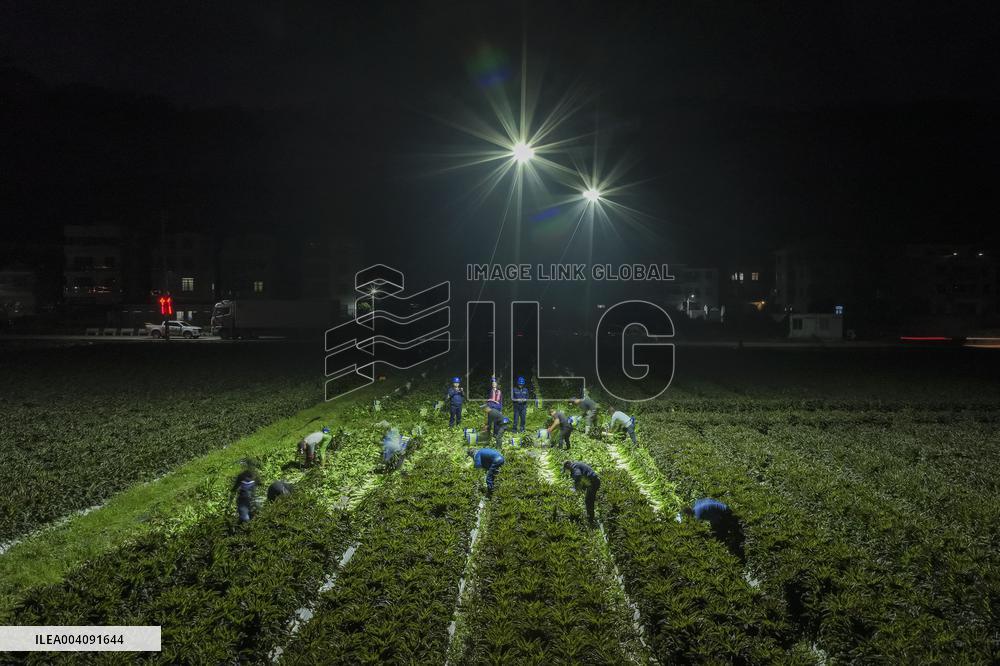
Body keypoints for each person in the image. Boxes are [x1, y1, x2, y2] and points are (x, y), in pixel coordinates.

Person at [681, 498, 746, 563]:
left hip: (725, 513)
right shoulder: (696, 503)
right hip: (726, 508)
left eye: (687, 515)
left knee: (719, 537)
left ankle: (730, 553)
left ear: (688, 513)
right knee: (717, 531)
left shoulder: (699, 514)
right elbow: (710, 504)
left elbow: (716, 518)